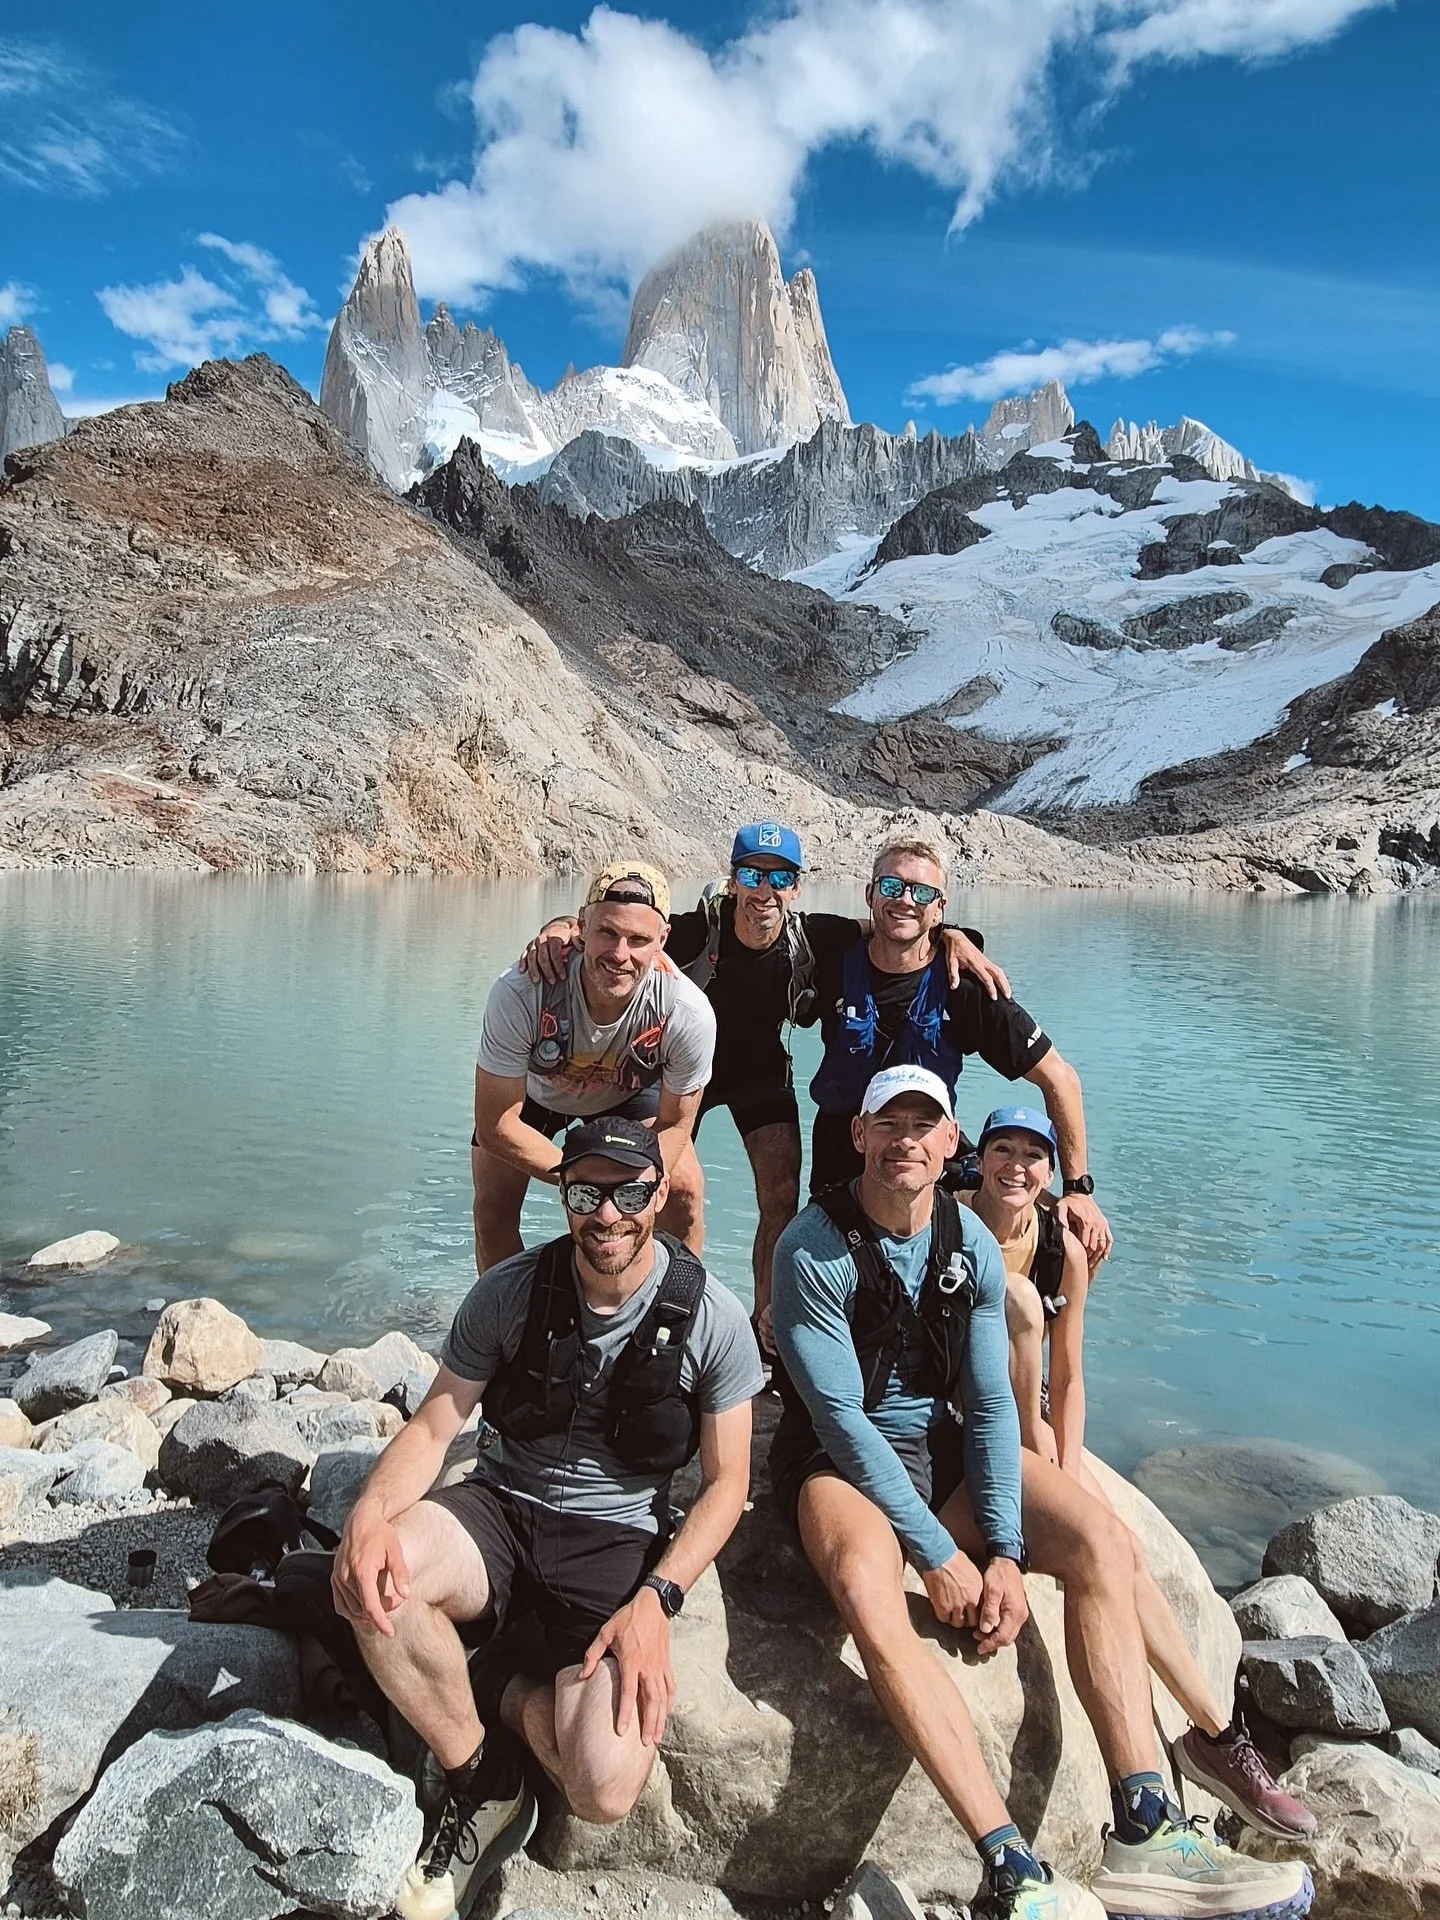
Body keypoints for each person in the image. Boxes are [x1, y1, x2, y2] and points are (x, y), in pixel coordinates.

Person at [769, 1064, 1313, 1920]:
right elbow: (839, 1420)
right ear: (858, 1134)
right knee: (869, 1596)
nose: (906, 1141)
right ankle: (1008, 1863)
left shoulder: (971, 1243)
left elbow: (988, 1405)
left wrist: (1009, 1556)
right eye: (889, 1125)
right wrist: (942, 1555)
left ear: (950, 1144)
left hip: (940, 1444)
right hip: (839, 1464)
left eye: (925, 1126)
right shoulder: (812, 1247)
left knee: (1099, 1541)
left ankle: (1143, 1824)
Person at [334, 1116, 763, 1920]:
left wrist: (658, 1600)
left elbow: (725, 1482)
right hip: (500, 1507)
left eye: (630, 1191)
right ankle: (481, 1779)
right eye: (587, 1192)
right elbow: (435, 1425)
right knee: (377, 1579)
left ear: (659, 1193)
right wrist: (372, 1512)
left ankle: (491, 1680)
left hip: (617, 1541)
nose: (608, 1214)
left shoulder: (712, 1317)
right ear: (562, 1194)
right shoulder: (510, 1293)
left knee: (601, 1784)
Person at [963, 1105, 1317, 1842]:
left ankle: (1215, 1735)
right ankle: (1215, 1741)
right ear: (980, 1156)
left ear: (1052, 1172)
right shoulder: (949, 1224)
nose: (1017, 1167)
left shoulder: (1060, 1245)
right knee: (1021, 1306)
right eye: (1003, 1150)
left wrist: (1065, 1463)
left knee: (1120, 1546)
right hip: (963, 1421)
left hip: (1028, 1426)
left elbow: (1071, 1375)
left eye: (1035, 1155)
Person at [517, 823, 1010, 1344]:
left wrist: (958, 937)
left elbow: (898, 926)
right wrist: (556, 928)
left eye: (780, 878)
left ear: (797, 887)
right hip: (681, 1073)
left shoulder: (814, 935)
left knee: (780, 1195)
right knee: (662, 1186)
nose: (764, 891)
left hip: (759, 1074)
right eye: (752, 874)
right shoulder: (692, 932)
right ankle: (654, 1311)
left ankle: (768, 1329)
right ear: (733, 881)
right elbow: (611, 931)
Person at [807, 838, 1113, 1275]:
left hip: (929, 1160)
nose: (905, 901)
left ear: (939, 907)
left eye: (922, 893)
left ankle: (1024, 1325)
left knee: (1064, 1243)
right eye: (891, 887)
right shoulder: (830, 963)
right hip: (842, 1162)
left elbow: (1060, 1079)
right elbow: (758, 921)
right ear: (869, 894)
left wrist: (1078, 1189)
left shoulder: (964, 987)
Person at [471, 862, 716, 1274]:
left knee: (686, 1192)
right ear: (582, 926)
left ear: (662, 940)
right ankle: (504, 1326)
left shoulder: (685, 1012)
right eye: (607, 933)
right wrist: (580, 1178)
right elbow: (495, 1124)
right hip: (534, 1090)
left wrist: (628, 1184)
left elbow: (676, 1125)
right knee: (492, 1208)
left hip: (627, 1093)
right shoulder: (521, 990)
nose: (620, 955)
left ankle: (675, 1310)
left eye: (638, 939)